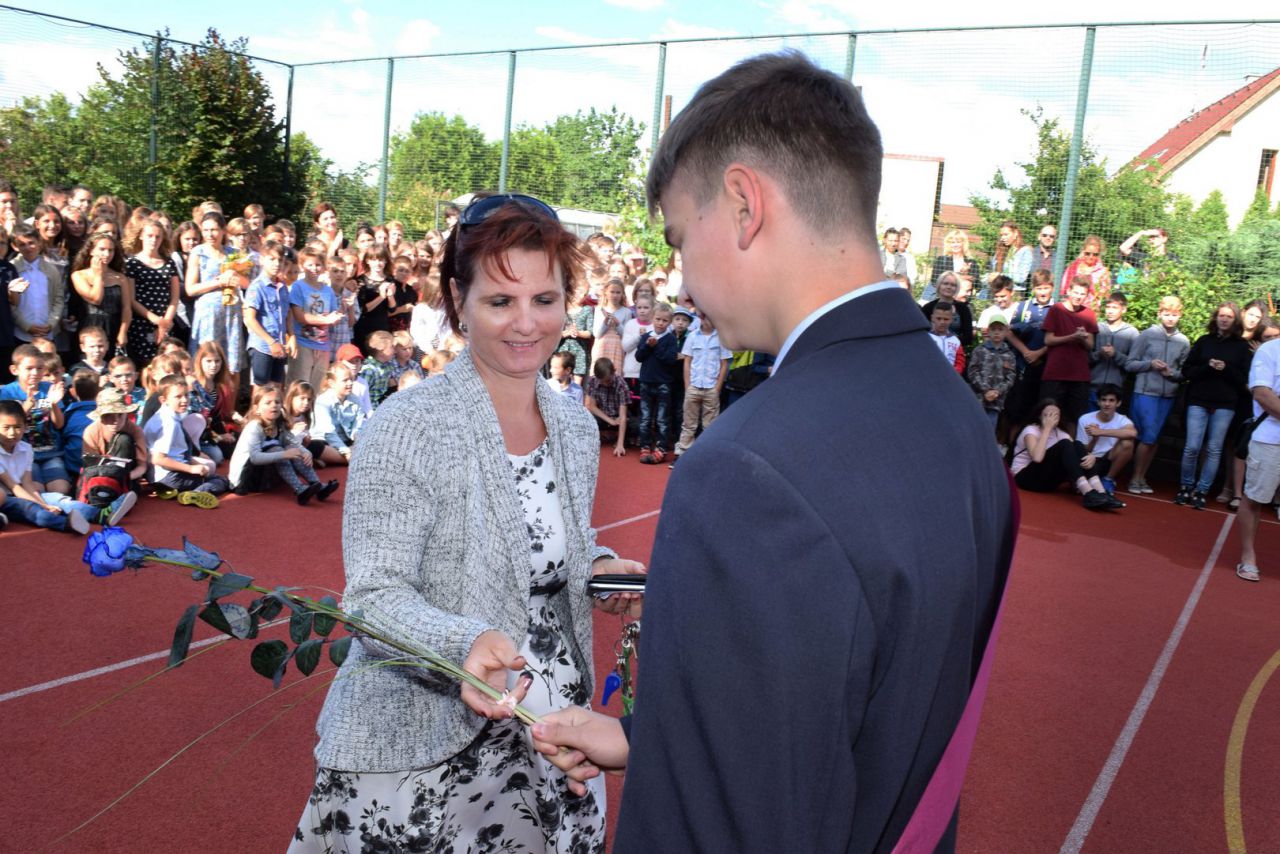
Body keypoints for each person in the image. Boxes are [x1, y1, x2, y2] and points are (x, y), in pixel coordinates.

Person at [527, 52, 1013, 854]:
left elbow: (726, 823)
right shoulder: (950, 410)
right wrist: (660, 735)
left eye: (681, 238)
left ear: (744, 205)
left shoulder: (748, 469)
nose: (684, 283)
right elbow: (845, 713)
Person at [291, 192, 643, 853]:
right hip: (423, 745)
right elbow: (372, 597)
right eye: (500, 301)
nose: (526, 323)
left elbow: (546, 547)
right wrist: (462, 643)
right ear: (458, 300)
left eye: (545, 299)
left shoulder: (573, 425)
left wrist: (598, 569)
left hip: (551, 730)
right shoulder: (406, 425)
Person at [1175, 302, 1252, 509]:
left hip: (1226, 404)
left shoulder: (1241, 346)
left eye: (1229, 316)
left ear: (1235, 320)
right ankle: (1186, 486)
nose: (1224, 319)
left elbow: (1244, 378)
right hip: (1198, 400)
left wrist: (1226, 368)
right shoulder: (1204, 341)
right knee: (1192, 447)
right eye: (1221, 315)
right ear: (1215, 318)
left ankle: (1202, 490)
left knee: (1214, 449)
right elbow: (1187, 370)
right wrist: (1207, 367)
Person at [228, 383, 337, 503]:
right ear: (256, 408)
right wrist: (284, 454)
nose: (274, 405)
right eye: (268, 403)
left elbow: (292, 441)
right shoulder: (254, 427)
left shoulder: (278, 424)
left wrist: (306, 452)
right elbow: (255, 458)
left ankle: (317, 485)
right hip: (245, 481)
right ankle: (299, 489)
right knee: (278, 450)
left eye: (277, 402)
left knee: (293, 449)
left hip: (264, 474)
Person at [1125, 295, 1190, 495]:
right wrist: (1150, 364)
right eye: (1166, 314)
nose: (1170, 318)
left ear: (1180, 316)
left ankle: (1142, 477)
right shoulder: (1147, 335)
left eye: (1174, 315)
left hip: (1167, 395)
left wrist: (1171, 373)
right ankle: (1135, 477)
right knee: (1148, 436)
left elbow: (1185, 373)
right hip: (1145, 392)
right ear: (1159, 313)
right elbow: (1130, 364)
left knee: (1154, 438)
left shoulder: (1183, 341)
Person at [1011, 398, 1121, 510]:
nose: (1052, 418)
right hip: (1025, 479)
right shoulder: (1031, 430)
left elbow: (1075, 453)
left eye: (1056, 415)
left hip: (1047, 482)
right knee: (1065, 444)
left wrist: (1090, 456)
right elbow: (1037, 458)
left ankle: (1101, 492)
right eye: (1048, 415)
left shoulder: (1060, 433)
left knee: (1077, 444)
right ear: (1039, 416)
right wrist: (1047, 429)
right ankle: (1087, 492)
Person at [0, 398, 90, 534]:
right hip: (6, 498)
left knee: (59, 499)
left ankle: (100, 514)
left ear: (25, 427)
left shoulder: (26, 449)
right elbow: (13, 486)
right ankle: (65, 524)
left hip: (21, 492)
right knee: (31, 509)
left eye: (18, 427)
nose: (12, 433)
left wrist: (44, 503)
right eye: (6, 428)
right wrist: (43, 506)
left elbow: (27, 483)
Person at [144, 372, 226, 507]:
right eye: (178, 397)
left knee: (207, 468)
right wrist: (191, 469)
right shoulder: (169, 424)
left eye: (186, 395)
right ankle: (195, 493)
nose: (184, 400)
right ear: (163, 400)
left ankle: (168, 489)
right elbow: (158, 459)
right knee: (220, 481)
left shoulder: (162, 415)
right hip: (170, 476)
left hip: (156, 476)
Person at [1235, 336, 1280, 582]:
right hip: (1270, 439)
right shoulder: (1269, 351)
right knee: (1255, 498)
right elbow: (1262, 394)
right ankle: (1248, 556)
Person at [185, 212, 245, 384]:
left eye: (214, 230)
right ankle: (205, 398)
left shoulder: (234, 253)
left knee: (231, 364)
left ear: (223, 230)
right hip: (208, 314)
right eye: (206, 230)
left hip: (231, 313)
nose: (210, 234)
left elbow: (246, 283)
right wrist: (219, 282)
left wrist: (236, 278)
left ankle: (230, 400)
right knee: (207, 360)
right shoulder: (198, 252)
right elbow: (190, 289)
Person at [1, 344, 69, 494]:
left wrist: (53, 404)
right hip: (22, 456)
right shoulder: (6, 393)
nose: (35, 373)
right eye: (29, 368)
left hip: (51, 452)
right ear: (14, 370)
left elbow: (59, 425)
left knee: (61, 489)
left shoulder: (49, 388)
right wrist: (26, 407)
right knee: (36, 489)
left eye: (39, 368)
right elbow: (7, 424)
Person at [1039, 278, 1098, 438]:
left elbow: (1090, 345)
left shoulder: (1089, 314)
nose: (1078, 297)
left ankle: (1070, 447)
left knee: (1075, 417)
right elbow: (1048, 340)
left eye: (1082, 294)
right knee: (1049, 413)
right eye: (1076, 293)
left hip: (1079, 375)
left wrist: (1082, 337)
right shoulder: (1056, 310)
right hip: (1055, 373)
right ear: (1069, 291)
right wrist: (1072, 337)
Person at [673, 309, 731, 460]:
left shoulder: (721, 338)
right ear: (699, 318)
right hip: (693, 386)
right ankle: (682, 454)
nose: (706, 320)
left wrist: (717, 388)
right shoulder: (692, 336)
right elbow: (687, 361)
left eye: (709, 317)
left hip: (711, 387)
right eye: (703, 317)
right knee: (688, 423)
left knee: (710, 425)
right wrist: (688, 385)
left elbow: (724, 364)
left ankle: (705, 456)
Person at [124, 220, 181, 366]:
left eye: (157, 236)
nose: (153, 240)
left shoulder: (169, 263)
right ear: (141, 236)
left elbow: (174, 297)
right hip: (141, 322)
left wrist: (165, 322)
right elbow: (131, 299)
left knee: (167, 363)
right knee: (145, 365)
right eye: (150, 236)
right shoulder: (132, 263)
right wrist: (156, 320)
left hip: (166, 322)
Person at [288, 246, 342, 390]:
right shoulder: (298, 287)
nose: (314, 268)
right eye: (310, 264)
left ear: (323, 267)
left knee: (317, 388)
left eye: (318, 264)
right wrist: (325, 320)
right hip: (303, 343)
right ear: (302, 266)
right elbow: (299, 316)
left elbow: (333, 313)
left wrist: (337, 315)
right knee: (299, 386)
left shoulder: (328, 290)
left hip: (323, 345)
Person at [634, 301, 680, 464]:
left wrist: (656, 347)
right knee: (645, 418)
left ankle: (661, 448)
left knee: (662, 418)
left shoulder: (671, 339)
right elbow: (638, 357)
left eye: (665, 320)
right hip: (646, 382)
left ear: (670, 322)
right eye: (658, 319)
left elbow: (670, 360)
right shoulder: (646, 337)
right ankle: (645, 446)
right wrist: (647, 345)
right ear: (653, 318)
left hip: (663, 384)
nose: (660, 323)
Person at [242, 243, 293, 386]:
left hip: (280, 345)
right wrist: (271, 342)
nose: (277, 264)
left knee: (276, 387)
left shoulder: (282, 286)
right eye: (272, 259)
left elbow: (287, 313)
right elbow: (250, 319)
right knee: (261, 388)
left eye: (280, 260)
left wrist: (292, 336)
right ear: (262, 260)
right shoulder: (257, 286)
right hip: (262, 346)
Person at [8, 224, 65, 347]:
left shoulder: (51, 270)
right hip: (21, 334)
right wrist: (25, 326)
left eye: (31, 243)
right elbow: (9, 303)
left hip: (46, 333)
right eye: (22, 244)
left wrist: (51, 324)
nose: (28, 248)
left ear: (39, 242)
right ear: (14, 246)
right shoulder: (11, 269)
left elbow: (58, 299)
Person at [1076, 384, 1137, 492]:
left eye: (1111, 400)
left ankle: (1108, 479)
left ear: (1118, 403)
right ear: (1098, 402)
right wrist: (1095, 439)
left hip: (1109, 459)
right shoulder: (1085, 419)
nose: (1107, 404)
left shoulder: (1122, 420)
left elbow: (1132, 433)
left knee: (1127, 442)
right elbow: (1082, 450)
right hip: (1089, 460)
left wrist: (1100, 432)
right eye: (1103, 400)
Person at [969, 318, 1017, 436]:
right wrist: (985, 390)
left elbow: (1011, 377)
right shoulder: (979, 350)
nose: (996, 332)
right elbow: (972, 372)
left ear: (1006, 332)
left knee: (990, 431)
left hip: (996, 402)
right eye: (993, 329)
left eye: (1000, 329)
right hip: (978, 399)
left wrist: (997, 392)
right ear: (988, 331)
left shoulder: (1009, 355)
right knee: (973, 429)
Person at [1090, 292, 1137, 407]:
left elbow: (1133, 364)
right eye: (1108, 307)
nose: (1110, 311)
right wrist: (1099, 354)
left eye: (1114, 308)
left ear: (1124, 309)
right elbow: (1085, 358)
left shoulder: (1132, 333)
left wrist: (1116, 355)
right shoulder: (1096, 328)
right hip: (1093, 387)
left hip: (1116, 390)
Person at [310, 362, 364, 462]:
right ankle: (353, 460)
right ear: (332, 383)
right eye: (345, 380)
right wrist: (346, 451)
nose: (350, 383)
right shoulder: (323, 400)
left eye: (351, 379)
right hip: (327, 441)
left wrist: (358, 440)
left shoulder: (356, 400)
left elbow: (358, 427)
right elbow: (328, 433)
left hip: (347, 441)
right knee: (315, 446)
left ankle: (337, 460)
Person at [584, 356, 628, 456]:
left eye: (608, 380)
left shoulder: (621, 384)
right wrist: (610, 421)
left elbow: (623, 416)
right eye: (602, 381)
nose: (605, 384)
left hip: (618, 418)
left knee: (635, 426)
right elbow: (592, 407)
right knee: (587, 418)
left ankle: (622, 439)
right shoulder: (593, 381)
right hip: (602, 416)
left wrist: (620, 445)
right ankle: (591, 440)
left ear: (614, 372)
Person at [920, 271, 974, 349]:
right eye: (945, 283)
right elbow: (922, 332)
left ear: (957, 288)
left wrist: (949, 342)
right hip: (932, 349)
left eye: (953, 285)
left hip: (956, 350)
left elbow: (968, 337)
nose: (949, 287)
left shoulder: (963, 308)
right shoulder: (928, 308)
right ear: (939, 285)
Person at [924, 229, 980, 301]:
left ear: (963, 244)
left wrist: (965, 273)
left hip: (963, 301)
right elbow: (934, 280)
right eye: (953, 242)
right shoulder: (941, 260)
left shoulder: (971, 262)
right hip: (943, 299)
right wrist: (961, 276)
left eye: (958, 242)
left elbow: (977, 284)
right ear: (949, 244)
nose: (955, 245)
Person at [1058, 235, 1111, 306]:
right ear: (1083, 252)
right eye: (1087, 253)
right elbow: (1064, 288)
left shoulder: (1103, 272)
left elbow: (1106, 296)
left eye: (1095, 254)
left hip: (1092, 308)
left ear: (1099, 254)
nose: (1091, 257)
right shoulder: (1073, 268)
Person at [987, 221, 1033, 294]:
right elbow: (993, 271)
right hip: (998, 290)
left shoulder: (1025, 251)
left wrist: (1000, 276)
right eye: (1001, 235)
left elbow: (1021, 278)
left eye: (1006, 234)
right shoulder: (1000, 251)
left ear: (1015, 234)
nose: (1002, 238)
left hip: (1015, 292)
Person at [927, 302, 965, 374]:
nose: (942, 322)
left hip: (950, 377)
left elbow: (960, 362)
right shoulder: (926, 338)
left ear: (951, 320)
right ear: (932, 318)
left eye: (946, 319)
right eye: (939, 318)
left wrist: (953, 373)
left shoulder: (955, 341)